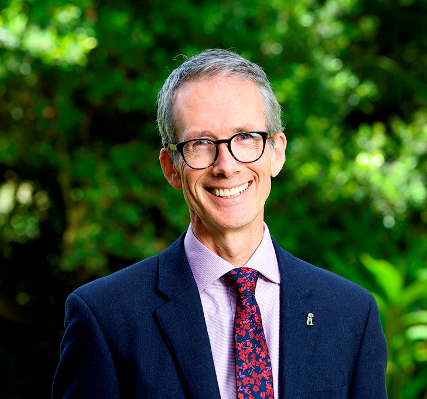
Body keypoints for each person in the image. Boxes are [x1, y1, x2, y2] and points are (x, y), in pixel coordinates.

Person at [52, 49, 388, 399]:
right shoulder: (105, 318)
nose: (226, 165)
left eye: (245, 137)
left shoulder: (351, 315)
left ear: (276, 152)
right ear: (171, 167)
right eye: (201, 143)